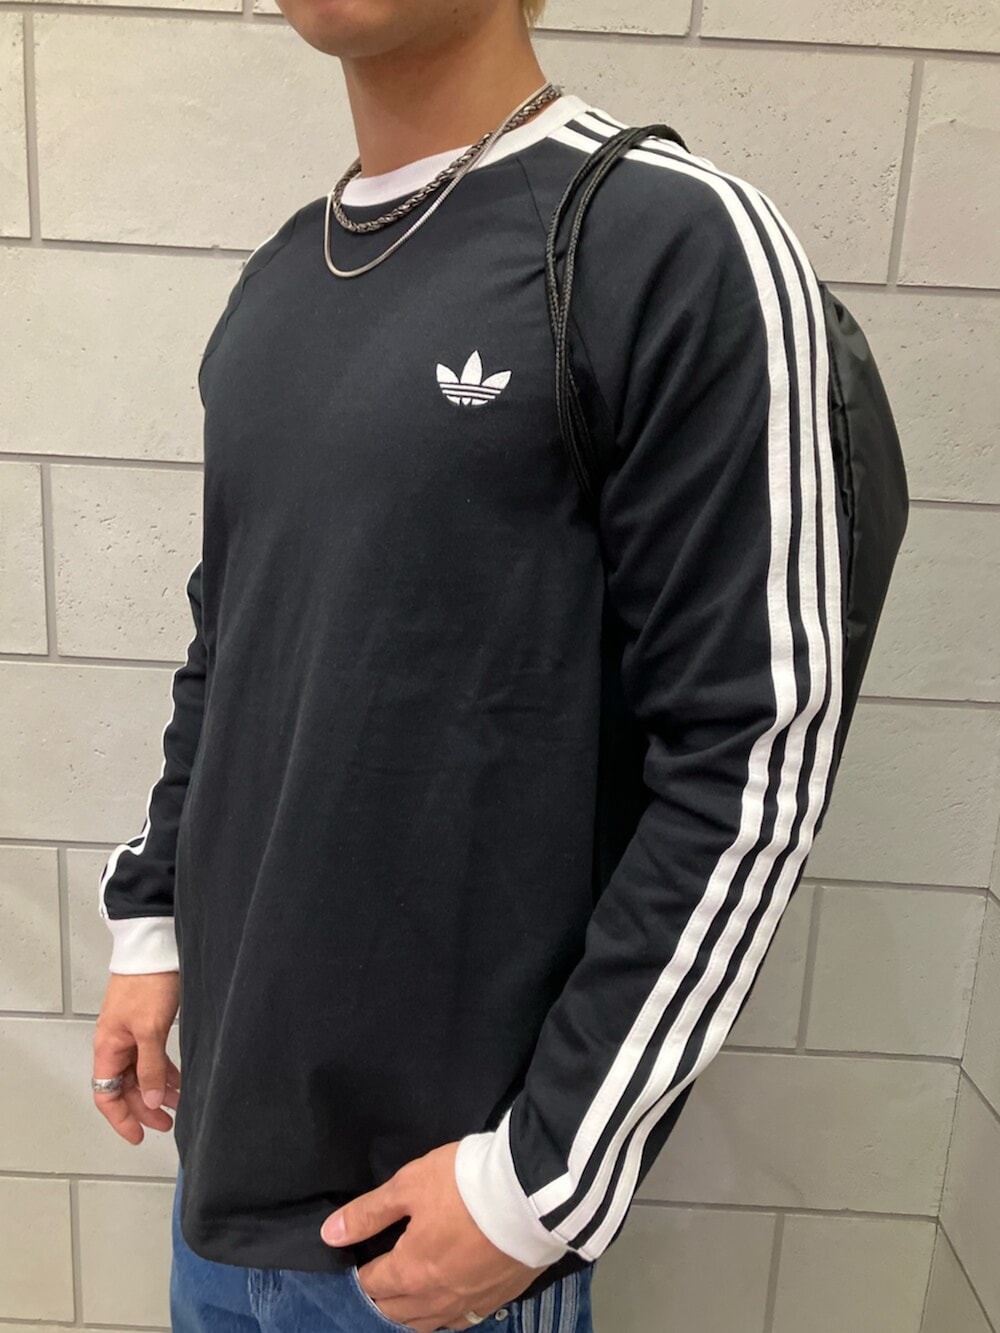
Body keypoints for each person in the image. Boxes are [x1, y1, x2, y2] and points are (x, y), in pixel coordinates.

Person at [91, 0, 845, 1329]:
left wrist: (542, 1183)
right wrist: (152, 924)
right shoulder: (279, 282)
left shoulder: (665, 239)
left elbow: (756, 755)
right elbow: (231, 642)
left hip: (442, 1233)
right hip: (221, 1182)